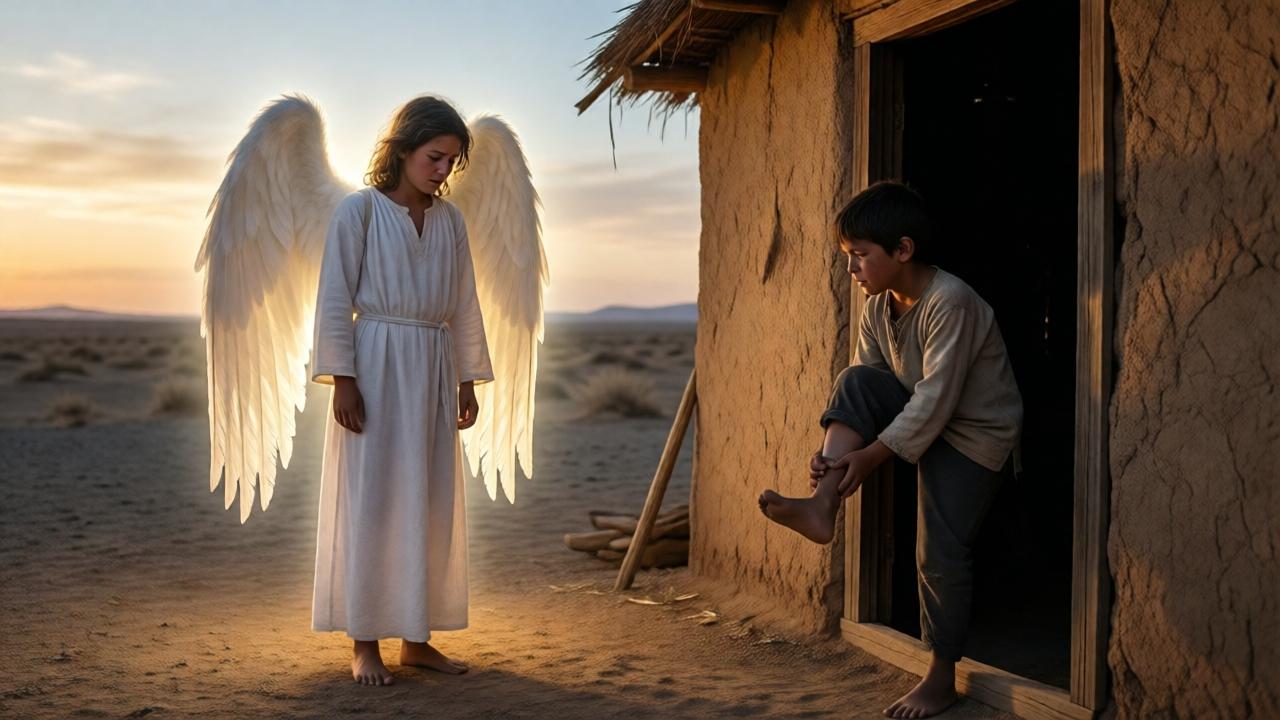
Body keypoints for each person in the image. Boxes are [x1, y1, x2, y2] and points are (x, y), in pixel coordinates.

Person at [758, 180, 1022, 718]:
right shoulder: (878, 307)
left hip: (975, 432)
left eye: (860, 256)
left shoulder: (952, 302)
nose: (853, 269)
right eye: (848, 257)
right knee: (854, 379)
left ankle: (941, 676)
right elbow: (871, 385)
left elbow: (937, 398)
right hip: (922, 417)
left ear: (903, 250)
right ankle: (821, 502)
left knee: (939, 551)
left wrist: (872, 455)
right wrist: (836, 456)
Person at [310, 96, 494, 686]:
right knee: (373, 499)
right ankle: (364, 642)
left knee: (429, 498)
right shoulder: (359, 212)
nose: (442, 171)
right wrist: (343, 379)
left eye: (451, 162)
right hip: (376, 363)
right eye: (434, 157)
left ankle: (417, 639)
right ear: (404, 150)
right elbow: (335, 298)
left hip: (434, 367)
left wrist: (466, 377)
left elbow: (464, 301)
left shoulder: (451, 222)